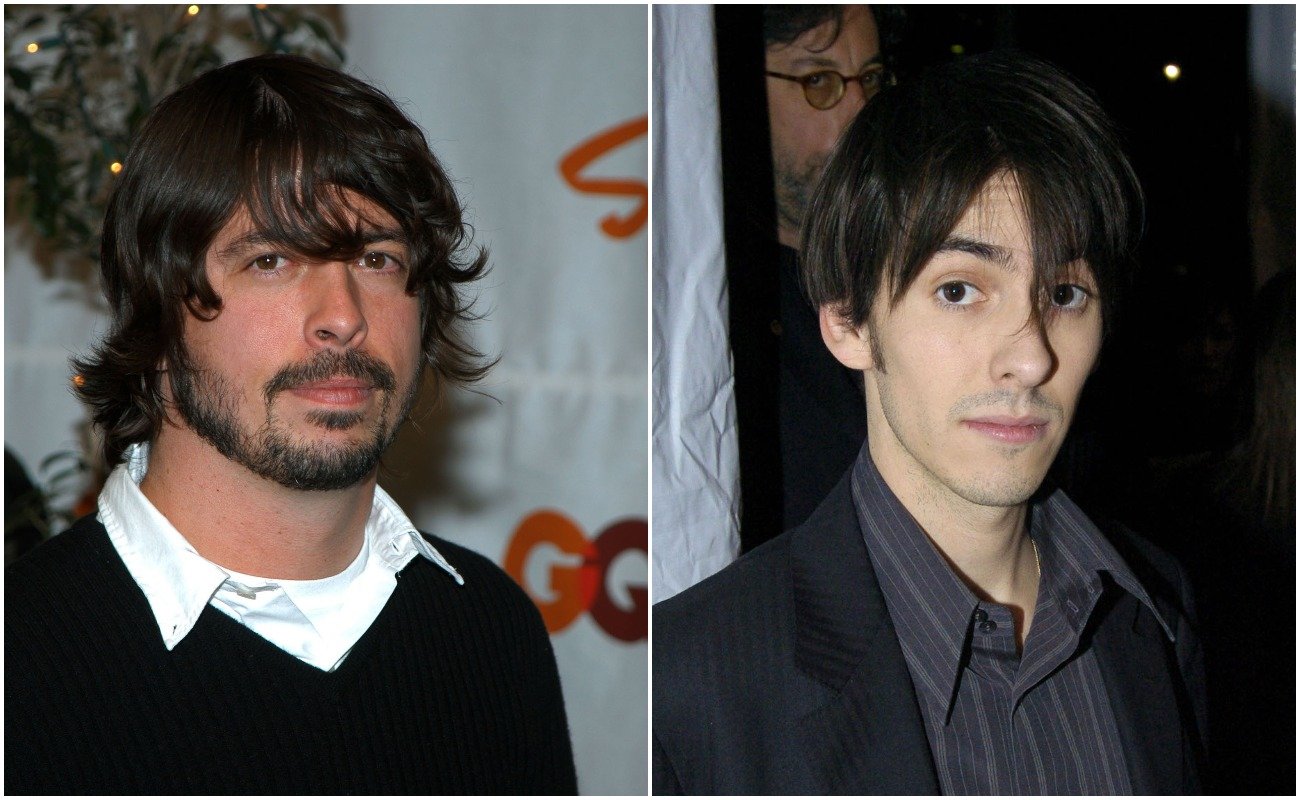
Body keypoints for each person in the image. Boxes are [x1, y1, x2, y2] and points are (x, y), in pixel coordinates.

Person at [5, 55, 577, 795]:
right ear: (157, 307)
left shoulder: (487, 627)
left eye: (377, 258)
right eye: (271, 259)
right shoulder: (17, 660)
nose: (342, 317)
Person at [654, 51, 1206, 794]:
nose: (1030, 356)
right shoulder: (692, 684)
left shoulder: (1157, 608)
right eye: (958, 290)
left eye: (1066, 294)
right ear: (848, 322)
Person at [762, 6, 899, 536]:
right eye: (817, 80)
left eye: (870, 78)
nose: (862, 110)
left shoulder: (922, 270)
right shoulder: (707, 305)